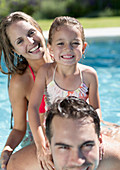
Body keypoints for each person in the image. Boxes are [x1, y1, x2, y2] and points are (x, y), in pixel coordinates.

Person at [28, 16, 101, 167]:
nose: (68, 48)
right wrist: (41, 143)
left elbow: (96, 109)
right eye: (61, 43)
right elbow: (33, 107)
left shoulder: (89, 75)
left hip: (80, 129)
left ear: (84, 47)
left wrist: (97, 134)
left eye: (75, 43)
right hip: (55, 129)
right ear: (51, 48)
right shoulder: (46, 72)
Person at [0, 11, 54, 170]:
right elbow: (18, 128)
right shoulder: (21, 82)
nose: (30, 41)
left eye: (31, 32)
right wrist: (6, 151)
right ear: (15, 50)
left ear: (39, 29)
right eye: (20, 41)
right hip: (39, 141)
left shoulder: (64, 58)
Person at [45, 96, 120, 170]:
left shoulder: (116, 162)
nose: (78, 162)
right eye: (64, 147)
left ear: (100, 142)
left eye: (87, 145)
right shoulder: (35, 166)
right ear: (48, 147)